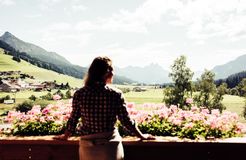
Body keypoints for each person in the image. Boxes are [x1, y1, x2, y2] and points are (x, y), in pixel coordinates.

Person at [54, 56, 154, 160]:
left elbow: (73, 119)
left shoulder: (80, 94)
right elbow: (126, 121)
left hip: (88, 147)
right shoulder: (115, 94)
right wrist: (142, 136)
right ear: (107, 72)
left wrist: (65, 136)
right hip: (110, 147)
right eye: (112, 70)